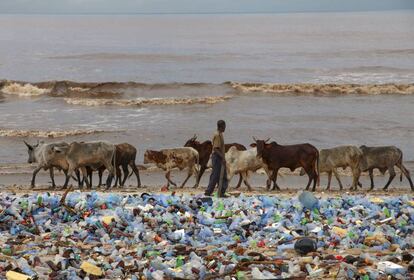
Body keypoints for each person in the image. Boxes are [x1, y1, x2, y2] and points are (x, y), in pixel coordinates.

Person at [205, 120, 228, 197]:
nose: (225, 128)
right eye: (224, 126)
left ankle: (220, 192)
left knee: (221, 175)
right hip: (217, 156)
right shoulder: (217, 135)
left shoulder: (220, 134)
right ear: (221, 126)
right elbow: (216, 149)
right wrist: (223, 158)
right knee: (216, 175)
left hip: (219, 156)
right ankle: (209, 192)